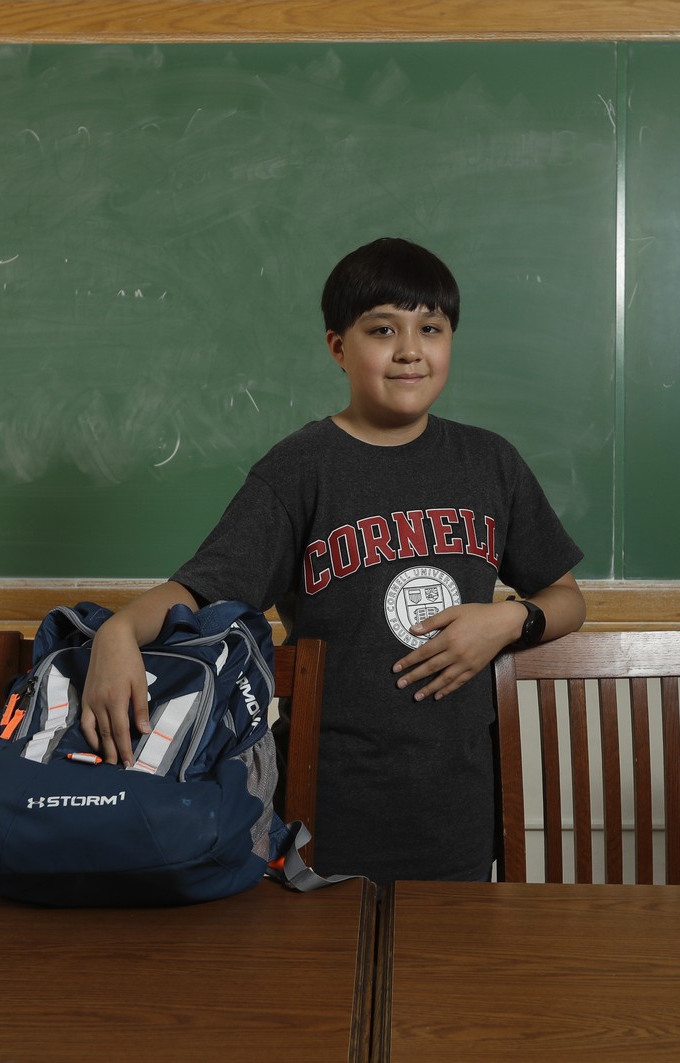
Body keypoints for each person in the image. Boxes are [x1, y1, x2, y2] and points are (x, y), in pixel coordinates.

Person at [80, 236, 585, 882]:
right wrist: (119, 629)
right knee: (316, 981)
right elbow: (200, 590)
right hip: (325, 816)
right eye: (383, 329)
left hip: (457, 812)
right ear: (338, 347)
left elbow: (568, 598)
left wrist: (508, 621)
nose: (410, 350)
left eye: (430, 328)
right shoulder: (300, 469)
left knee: (446, 979)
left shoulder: (490, 463)